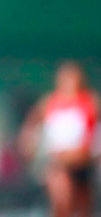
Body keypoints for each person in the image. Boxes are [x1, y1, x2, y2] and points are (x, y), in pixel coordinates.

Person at [20, 61, 100, 217]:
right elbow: (32, 123)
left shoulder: (90, 101)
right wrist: (28, 143)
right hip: (58, 162)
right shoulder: (50, 102)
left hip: (82, 161)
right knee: (62, 203)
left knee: (84, 209)